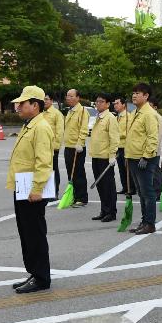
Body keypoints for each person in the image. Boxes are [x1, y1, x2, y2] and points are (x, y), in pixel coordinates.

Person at [7, 86, 54, 294]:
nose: (18, 107)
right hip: (22, 186)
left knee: (34, 233)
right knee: (26, 233)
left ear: (35, 105)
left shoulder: (41, 127)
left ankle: (42, 277)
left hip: (32, 189)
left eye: (22, 104)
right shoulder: (30, 125)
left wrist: (37, 189)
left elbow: (44, 162)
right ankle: (35, 272)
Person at [125, 83, 160, 234]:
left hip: (144, 158)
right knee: (140, 192)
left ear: (146, 96)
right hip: (133, 157)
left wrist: (146, 156)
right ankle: (144, 221)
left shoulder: (149, 114)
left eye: (138, 93)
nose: (134, 95)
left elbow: (153, 137)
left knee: (148, 192)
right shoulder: (135, 112)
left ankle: (150, 223)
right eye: (133, 92)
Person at [89, 92, 119, 223]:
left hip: (105, 157)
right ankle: (104, 210)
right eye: (97, 101)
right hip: (96, 155)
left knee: (108, 186)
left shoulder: (110, 118)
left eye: (101, 101)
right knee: (100, 185)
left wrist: (112, 155)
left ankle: (111, 212)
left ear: (108, 104)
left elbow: (114, 138)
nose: (98, 103)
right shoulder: (98, 116)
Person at [64, 89, 89, 207]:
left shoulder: (82, 111)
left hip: (77, 147)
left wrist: (80, 143)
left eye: (71, 96)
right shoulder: (70, 111)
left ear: (78, 98)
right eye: (67, 96)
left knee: (78, 173)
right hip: (68, 146)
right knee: (71, 173)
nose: (68, 98)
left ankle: (82, 198)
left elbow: (84, 129)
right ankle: (74, 195)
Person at [42, 93, 64, 197]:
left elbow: (60, 132)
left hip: (52, 148)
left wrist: (56, 147)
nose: (45, 101)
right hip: (42, 148)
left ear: (51, 101)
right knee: (44, 169)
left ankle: (55, 192)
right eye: (43, 99)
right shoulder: (41, 113)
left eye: (46, 99)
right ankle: (47, 191)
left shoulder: (56, 114)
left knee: (53, 170)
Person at [113, 96, 130, 194]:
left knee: (127, 169)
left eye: (117, 103)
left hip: (125, 147)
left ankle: (130, 188)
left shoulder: (128, 116)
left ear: (123, 105)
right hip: (118, 146)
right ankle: (125, 187)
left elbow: (128, 132)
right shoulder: (117, 117)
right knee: (121, 169)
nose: (115, 105)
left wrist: (115, 135)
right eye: (114, 103)